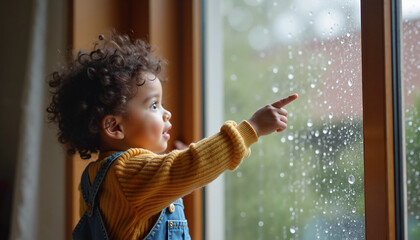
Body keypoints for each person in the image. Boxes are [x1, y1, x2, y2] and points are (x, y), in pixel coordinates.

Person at [47, 33, 298, 240]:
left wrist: (173, 157)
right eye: (153, 105)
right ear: (114, 127)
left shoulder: (97, 177)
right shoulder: (126, 174)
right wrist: (251, 128)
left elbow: (158, 183)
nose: (167, 112)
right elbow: (187, 167)